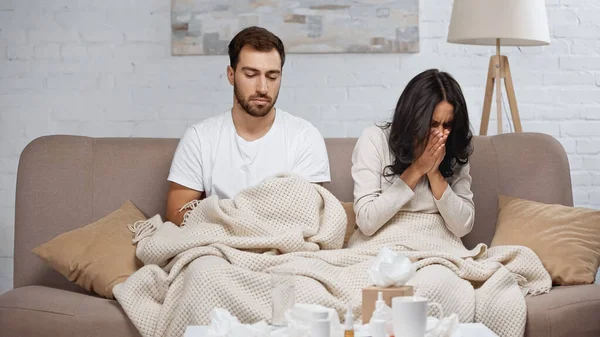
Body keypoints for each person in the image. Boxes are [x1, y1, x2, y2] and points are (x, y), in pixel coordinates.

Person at [166, 26, 331, 226]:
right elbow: (177, 214)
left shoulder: (305, 137)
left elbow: (307, 216)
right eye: (251, 74)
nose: (262, 88)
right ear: (231, 75)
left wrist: (225, 213)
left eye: (272, 76)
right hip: (217, 246)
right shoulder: (200, 137)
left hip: (284, 250)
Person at [351, 69, 474, 238]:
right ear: (413, 119)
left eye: (447, 125)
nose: (440, 133)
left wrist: (434, 173)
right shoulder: (374, 139)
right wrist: (417, 169)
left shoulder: (454, 147)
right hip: (382, 244)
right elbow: (366, 221)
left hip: (437, 247)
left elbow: (463, 227)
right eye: (433, 124)